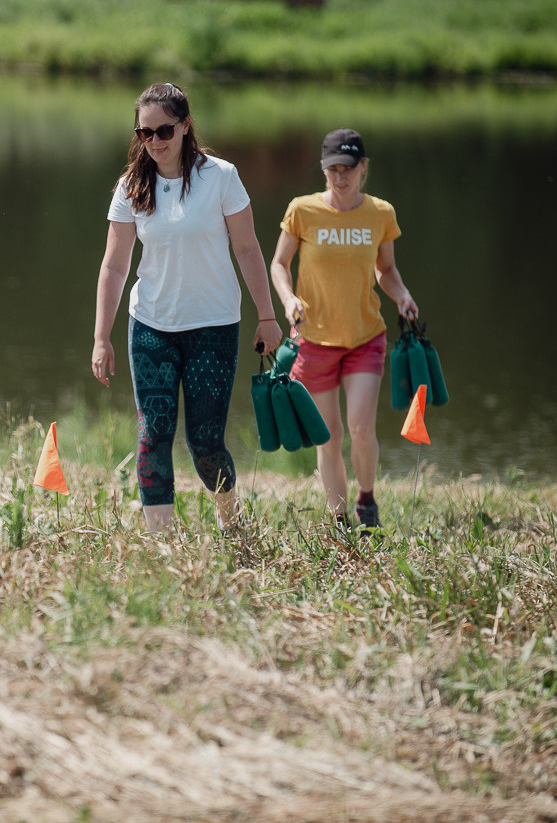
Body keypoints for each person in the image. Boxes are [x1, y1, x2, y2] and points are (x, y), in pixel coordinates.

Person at [92, 83, 282, 534]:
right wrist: (101, 337)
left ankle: (230, 520)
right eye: (145, 132)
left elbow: (248, 249)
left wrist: (267, 315)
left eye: (164, 130)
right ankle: (161, 543)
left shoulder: (220, 177)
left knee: (205, 442)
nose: (155, 141)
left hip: (213, 327)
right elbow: (115, 266)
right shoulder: (131, 186)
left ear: (185, 126)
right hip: (151, 326)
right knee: (153, 433)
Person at [269, 128, 419, 530]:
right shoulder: (302, 210)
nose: (340, 177)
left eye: (348, 169)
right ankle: (338, 519)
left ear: (363, 168)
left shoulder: (380, 214)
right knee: (329, 437)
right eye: (333, 169)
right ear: (323, 169)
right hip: (313, 339)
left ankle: (366, 501)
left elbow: (386, 269)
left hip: (364, 337)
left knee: (361, 428)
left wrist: (402, 295)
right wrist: (288, 299)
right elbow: (279, 264)